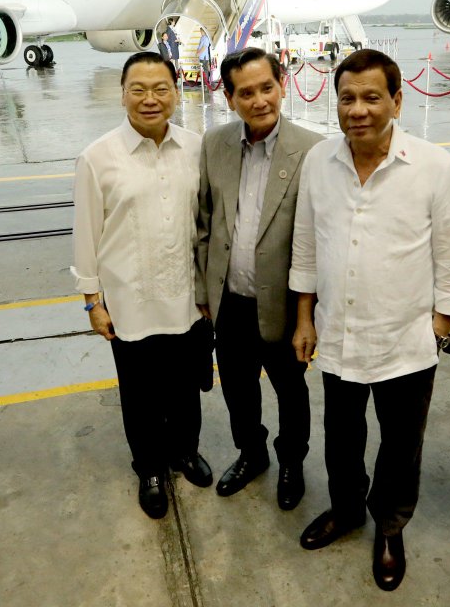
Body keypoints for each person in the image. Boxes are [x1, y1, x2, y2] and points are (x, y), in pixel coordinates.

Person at [289, 49, 450, 591]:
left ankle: (390, 527)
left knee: (400, 443)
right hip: (339, 335)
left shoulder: (434, 166)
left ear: (397, 99)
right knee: (341, 439)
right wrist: (305, 319)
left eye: (372, 97)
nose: (359, 109)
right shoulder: (319, 162)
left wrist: (439, 327)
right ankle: (347, 511)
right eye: (348, 98)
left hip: (406, 340)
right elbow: (305, 248)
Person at [71, 51, 212, 520]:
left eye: (160, 89)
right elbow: (86, 234)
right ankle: (149, 467)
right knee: (139, 393)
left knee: (186, 388)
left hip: (186, 298)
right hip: (129, 301)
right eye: (138, 89)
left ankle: (185, 452)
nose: (150, 99)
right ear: (123, 95)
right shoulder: (97, 158)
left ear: (175, 91)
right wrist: (92, 301)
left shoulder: (196, 148)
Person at [196, 47, 322, 511]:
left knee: (291, 391)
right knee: (237, 388)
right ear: (229, 98)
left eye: (266, 87)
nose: (259, 100)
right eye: (245, 93)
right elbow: (206, 222)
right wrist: (203, 293)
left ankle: (291, 461)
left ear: (283, 84)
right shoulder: (215, 145)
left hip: (285, 306)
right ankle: (251, 454)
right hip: (229, 303)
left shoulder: (313, 150)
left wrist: (310, 312)